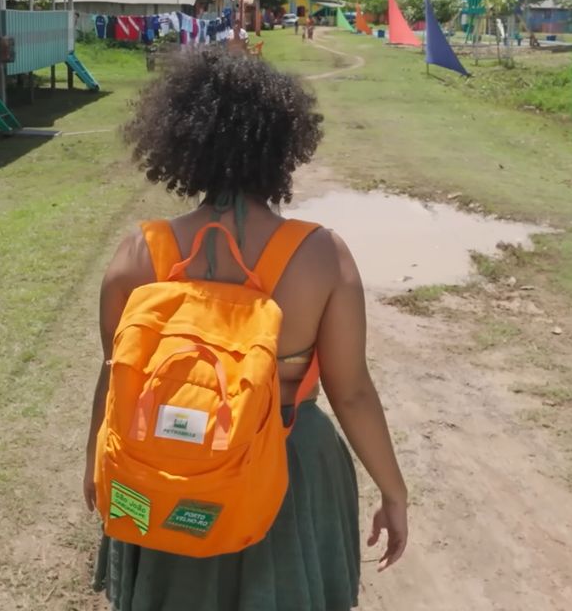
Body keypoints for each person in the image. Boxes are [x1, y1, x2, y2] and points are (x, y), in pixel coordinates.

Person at [87, 49, 408, 611]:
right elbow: (351, 392)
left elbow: (115, 375)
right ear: (283, 146)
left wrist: (96, 461)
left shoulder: (140, 252)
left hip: (166, 466)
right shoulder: (320, 256)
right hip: (285, 467)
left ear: (179, 143)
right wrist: (393, 490)